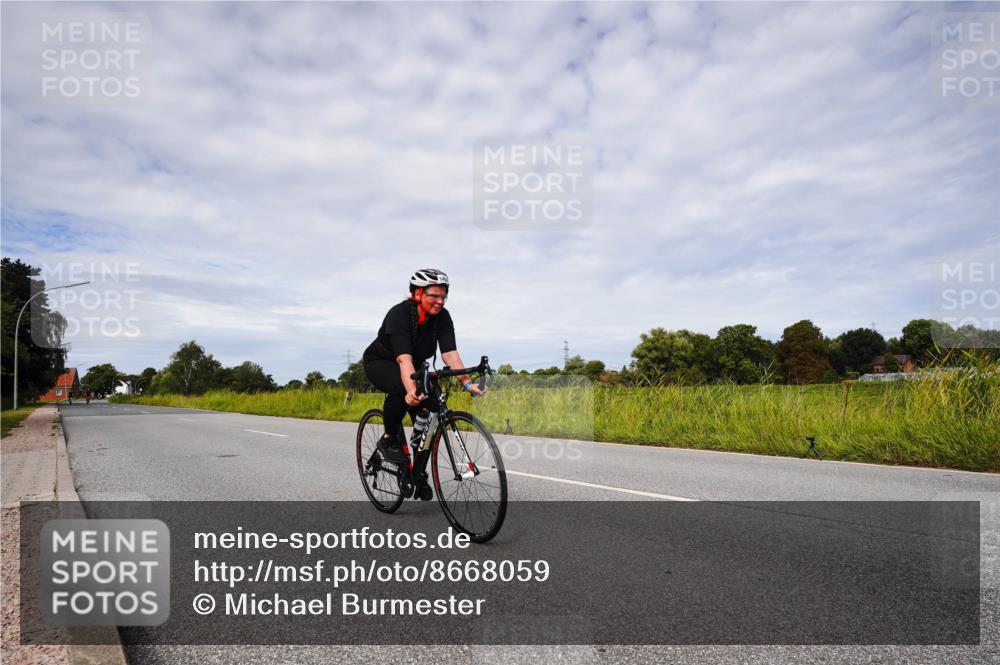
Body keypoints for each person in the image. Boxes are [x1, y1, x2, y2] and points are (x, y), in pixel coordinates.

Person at [363, 268, 486, 500]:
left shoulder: (443, 317)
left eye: (444, 296)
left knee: (430, 413)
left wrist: (468, 384)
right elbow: (403, 359)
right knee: (402, 390)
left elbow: (450, 355)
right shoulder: (399, 314)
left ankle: (417, 474)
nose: (440, 301)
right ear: (417, 294)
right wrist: (411, 391)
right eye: (434, 295)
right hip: (382, 362)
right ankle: (389, 438)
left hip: (414, 366)